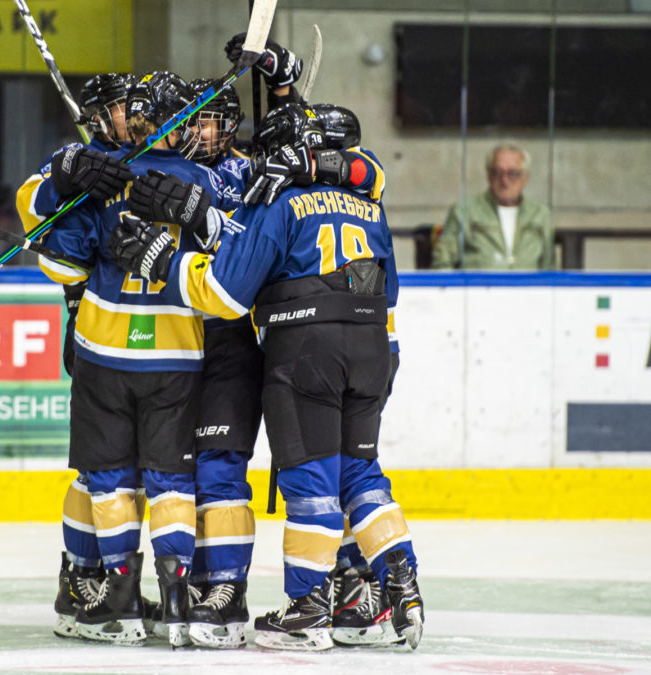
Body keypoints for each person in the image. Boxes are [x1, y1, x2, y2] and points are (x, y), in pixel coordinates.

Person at [106, 103, 425, 653]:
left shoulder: (277, 202)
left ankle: (307, 609)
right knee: (360, 473)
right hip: (375, 346)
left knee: (311, 483)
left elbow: (228, 294)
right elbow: (387, 289)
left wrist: (165, 264)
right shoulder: (368, 204)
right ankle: (401, 582)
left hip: (306, 349)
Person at [33, 70, 236, 647]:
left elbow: (63, 267)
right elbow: (237, 255)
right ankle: (175, 599)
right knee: (172, 478)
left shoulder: (103, 177)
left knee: (110, 478)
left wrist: (74, 204)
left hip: (103, 352)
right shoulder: (205, 180)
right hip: (176, 353)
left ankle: (119, 596)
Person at [14, 72, 152, 643]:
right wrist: (68, 180)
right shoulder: (76, 157)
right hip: (96, 330)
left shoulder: (156, 152)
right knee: (101, 468)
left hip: (159, 340)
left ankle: (103, 581)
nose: (135, 116)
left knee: (141, 472)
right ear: (100, 116)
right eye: (124, 108)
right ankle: (83, 577)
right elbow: (29, 200)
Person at [431, 144, 554, 270]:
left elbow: (549, 269)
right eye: (498, 172)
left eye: (513, 174)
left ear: (525, 178)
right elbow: (441, 265)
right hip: (477, 288)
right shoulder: (464, 211)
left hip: (529, 289)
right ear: (488, 175)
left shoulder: (540, 215)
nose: (504, 180)